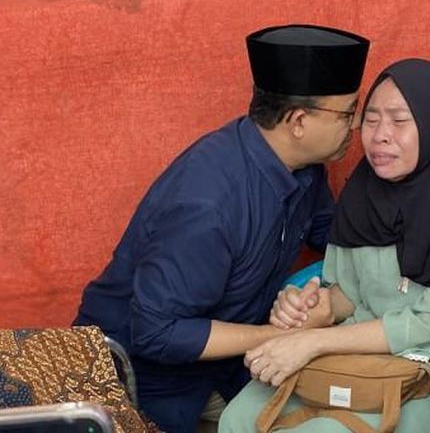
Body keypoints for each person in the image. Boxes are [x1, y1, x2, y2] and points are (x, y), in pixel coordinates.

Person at [73, 24, 370, 432]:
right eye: (347, 113)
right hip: (140, 382)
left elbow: (330, 232)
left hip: (231, 367)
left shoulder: (303, 167)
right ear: (299, 121)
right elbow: (157, 333)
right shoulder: (208, 204)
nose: (355, 127)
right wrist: (277, 335)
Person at [218, 58, 430, 432]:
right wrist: (318, 306)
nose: (380, 135)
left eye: (399, 121)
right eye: (371, 120)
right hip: (352, 351)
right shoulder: (365, 195)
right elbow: (350, 290)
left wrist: (314, 342)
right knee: (238, 418)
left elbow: (428, 329)